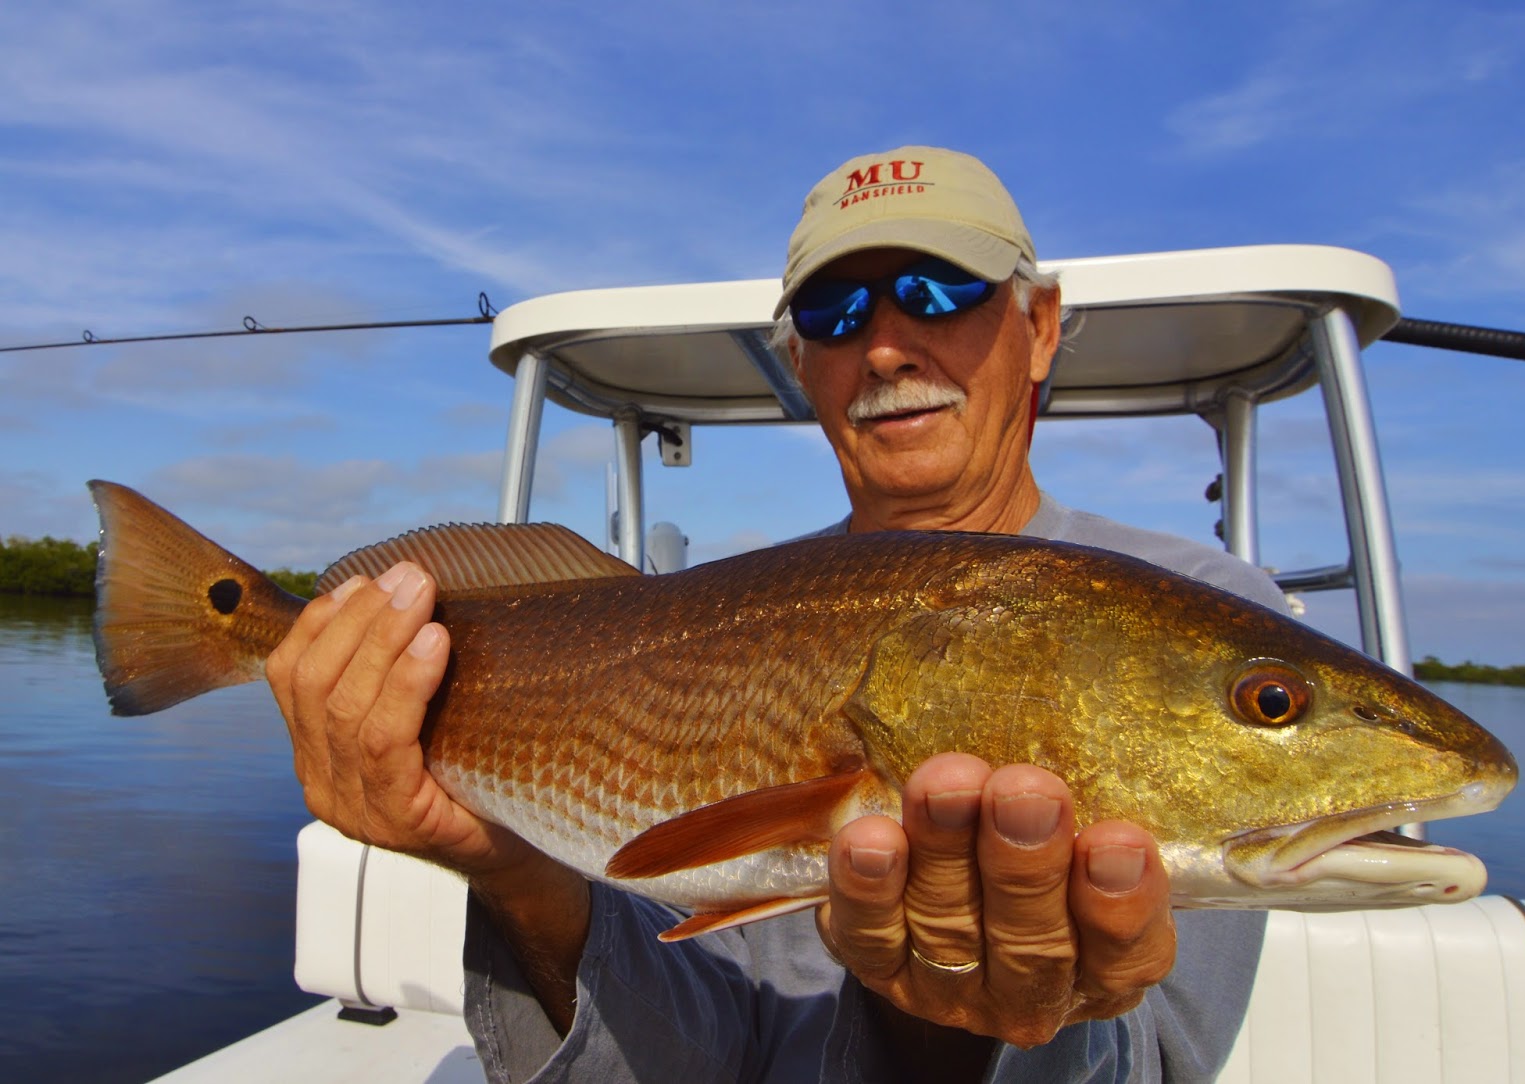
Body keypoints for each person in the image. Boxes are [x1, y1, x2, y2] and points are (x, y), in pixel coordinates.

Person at [267, 146, 1285, 1083]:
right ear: (802, 366)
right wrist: (511, 868)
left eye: (942, 289)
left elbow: (1163, 1059)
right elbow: (706, 1053)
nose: (886, 346)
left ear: (1042, 325)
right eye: (837, 312)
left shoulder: (1210, 607)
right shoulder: (723, 614)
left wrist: (973, 1023)